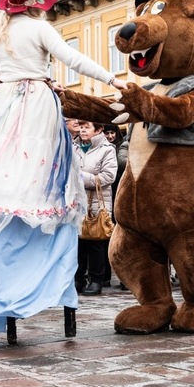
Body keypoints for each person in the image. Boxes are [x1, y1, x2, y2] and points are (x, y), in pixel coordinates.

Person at [0, 0, 126, 334]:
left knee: (9, 163)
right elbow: (72, 58)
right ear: (35, 4)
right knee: (41, 162)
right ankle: (41, 267)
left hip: (4, 103)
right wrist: (112, 79)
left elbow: (13, 71)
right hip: (35, 102)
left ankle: (11, 283)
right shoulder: (38, 27)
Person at [78, 120, 117, 295]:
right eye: (80, 126)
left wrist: (79, 176)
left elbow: (108, 177)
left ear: (98, 130)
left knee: (95, 242)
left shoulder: (107, 150)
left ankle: (96, 279)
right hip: (76, 202)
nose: (82, 129)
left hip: (96, 203)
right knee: (77, 243)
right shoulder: (74, 147)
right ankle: (77, 278)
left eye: (86, 126)